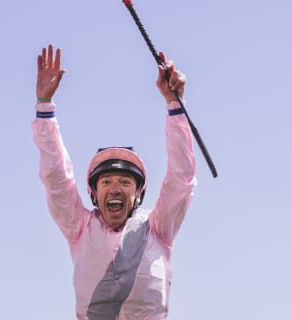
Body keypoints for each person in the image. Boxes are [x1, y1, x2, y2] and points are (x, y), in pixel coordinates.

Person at [32, 44, 197, 320]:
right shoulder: (80, 228)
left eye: (125, 181)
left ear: (138, 193)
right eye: (106, 182)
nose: (115, 187)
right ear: (94, 194)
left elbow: (180, 178)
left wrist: (175, 105)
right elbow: (56, 179)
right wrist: (44, 108)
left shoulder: (158, 227)